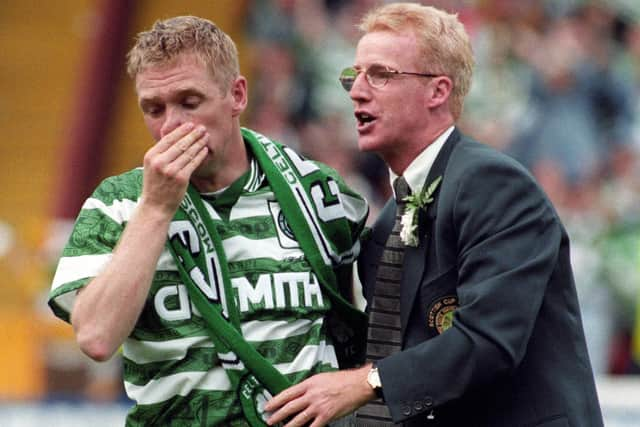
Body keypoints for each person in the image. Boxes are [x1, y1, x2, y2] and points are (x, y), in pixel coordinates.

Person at [264, 3, 604, 426]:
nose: (356, 91)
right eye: (353, 76)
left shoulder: (494, 184)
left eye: (381, 74)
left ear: (438, 91)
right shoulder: (387, 221)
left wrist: (363, 383)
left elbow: (489, 340)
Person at [48, 16, 368, 426]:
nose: (170, 126)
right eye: (153, 108)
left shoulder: (318, 191)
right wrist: (156, 208)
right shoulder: (115, 204)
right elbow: (95, 337)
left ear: (236, 95)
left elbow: (358, 324)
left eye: (189, 102)